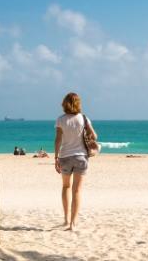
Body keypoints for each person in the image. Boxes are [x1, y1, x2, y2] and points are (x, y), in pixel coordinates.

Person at [54, 91, 97, 231]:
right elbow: (94, 136)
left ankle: (66, 219)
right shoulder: (83, 118)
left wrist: (56, 157)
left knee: (66, 187)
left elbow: (58, 140)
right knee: (77, 190)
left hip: (65, 157)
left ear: (65, 103)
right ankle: (73, 223)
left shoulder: (61, 119)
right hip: (81, 157)